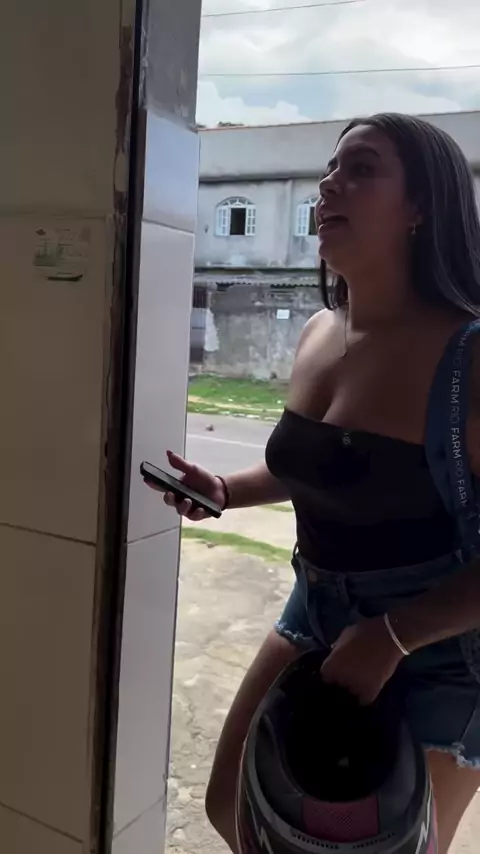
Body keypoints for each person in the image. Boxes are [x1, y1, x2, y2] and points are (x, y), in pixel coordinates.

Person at [161, 113, 480, 854]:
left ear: (420, 206)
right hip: (316, 607)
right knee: (233, 810)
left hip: (442, 648)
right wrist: (225, 489)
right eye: (331, 168)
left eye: (361, 169)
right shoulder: (319, 331)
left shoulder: (469, 355)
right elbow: (311, 466)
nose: (329, 183)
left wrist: (394, 636)